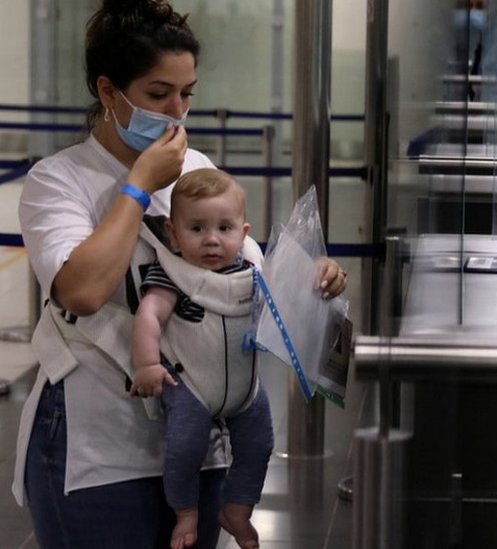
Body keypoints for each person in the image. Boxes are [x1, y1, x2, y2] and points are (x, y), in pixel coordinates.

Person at [14, 1, 347, 548]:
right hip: (97, 446)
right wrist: (139, 183)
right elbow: (85, 289)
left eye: (187, 93)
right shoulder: (58, 181)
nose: (176, 111)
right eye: (156, 94)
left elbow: (248, 273)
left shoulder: (197, 172)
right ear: (107, 91)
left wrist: (317, 278)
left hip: (196, 441)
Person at [130, 169, 270, 549]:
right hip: (190, 383)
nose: (211, 240)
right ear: (173, 234)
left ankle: (238, 510)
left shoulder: (251, 273)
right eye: (197, 229)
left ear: (243, 234)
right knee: (185, 448)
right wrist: (147, 364)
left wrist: (319, 275)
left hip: (245, 389)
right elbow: (149, 315)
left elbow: (287, 300)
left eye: (224, 228)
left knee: (259, 444)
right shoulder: (175, 274)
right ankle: (186, 514)